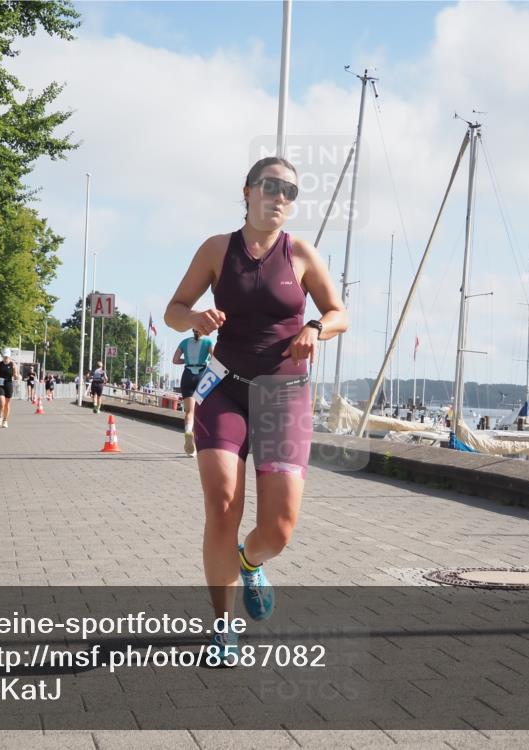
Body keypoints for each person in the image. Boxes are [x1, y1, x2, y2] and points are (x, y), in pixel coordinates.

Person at [165, 156, 347, 660]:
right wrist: (195, 318)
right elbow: (172, 310)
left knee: (280, 529)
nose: (280, 197)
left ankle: (250, 561)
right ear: (247, 191)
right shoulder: (217, 250)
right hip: (224, 388)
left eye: (290, 190)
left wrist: (315, 329)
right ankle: (223, 627)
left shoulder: (302, 254)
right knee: (222, 506)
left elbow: (338, 312)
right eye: (270, 186)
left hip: (283, 395)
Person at [173, 331, 214, 456]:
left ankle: (188, 430)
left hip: (187, 376)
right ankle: (195, 445)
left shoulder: (184, 342)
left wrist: (187, 360)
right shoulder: (208, 342)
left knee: (189, 412)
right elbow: (215, 360)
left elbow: (175, 360)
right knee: (200, 413)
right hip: (202, 377)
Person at [0, 349, 19, 428]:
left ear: (9, 356)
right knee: (2, 403)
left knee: (7, 404)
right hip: (0, 383)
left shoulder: (13, 364)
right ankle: (0, 417)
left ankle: (5, 420)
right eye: (4, 356)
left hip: (8, 384)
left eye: (7, 356)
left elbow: (15, 375)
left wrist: (17, 377)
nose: (5, 358)